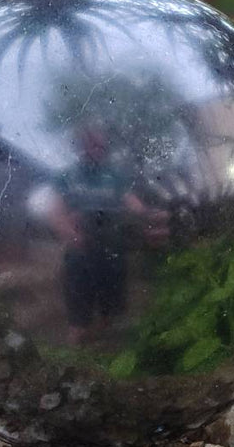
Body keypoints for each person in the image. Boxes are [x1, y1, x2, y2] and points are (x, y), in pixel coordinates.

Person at [47, 124, 168, 345]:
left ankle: (106, 329)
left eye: (101, 145)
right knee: (78, 286)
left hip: (112, 241)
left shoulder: (115, 175)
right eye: (92, 145)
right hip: (80, 242)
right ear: (80, 147)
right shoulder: (66, 176)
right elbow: (56, 211)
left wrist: (149, 216)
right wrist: (69, 233)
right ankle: (77, 332)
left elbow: (132, 204)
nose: (98, 149)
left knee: (112, 287)